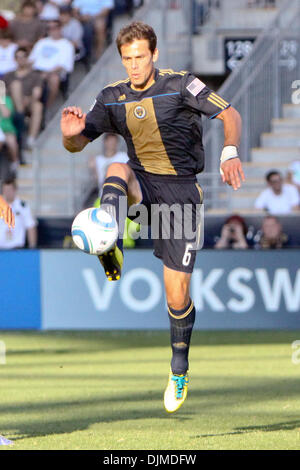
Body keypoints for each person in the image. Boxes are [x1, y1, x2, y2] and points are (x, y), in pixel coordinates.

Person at [60, 21, 244, 413]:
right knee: (116, 168)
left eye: (140, 57)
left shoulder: (181, 85)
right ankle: (109, 237)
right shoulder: (111, 97)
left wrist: (230, 151)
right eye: (127, 59)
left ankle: (179, 368)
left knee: (176, 297)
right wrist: (69, 134)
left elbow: (230, 114)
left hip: (180, 196)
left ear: (154, 54)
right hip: (142, 182)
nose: (134, 65)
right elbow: (76, 144)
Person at [4, 47, 44, 150]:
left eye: (23, 57)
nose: (20, 59)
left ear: (27, 58)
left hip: (28, 102)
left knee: (38, 106)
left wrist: (29, 99)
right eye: (18, 57)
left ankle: (31, 138)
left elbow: (37, 93)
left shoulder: (35, 75)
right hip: (11, 104)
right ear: (15, 59)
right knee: (16, 85)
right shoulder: (8, 75)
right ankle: (20, 115)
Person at [29, 19, 75, 108]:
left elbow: (62, 66)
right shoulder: (42, 42)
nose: (52, 30)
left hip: (53, 72)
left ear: (61, 28)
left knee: (54, 80)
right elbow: (31, 60)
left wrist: (46, 73)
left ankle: (47, 107)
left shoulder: (67, 45)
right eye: (49, 28)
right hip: (36, 70)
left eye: (55, 27)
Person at [0, 177, 36, 249]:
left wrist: (32, 247)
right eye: (5, 190)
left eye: (9, 190)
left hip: (17, 250)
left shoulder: (23, 207)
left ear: (15, 190)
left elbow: (30, 226)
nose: (7, 193)